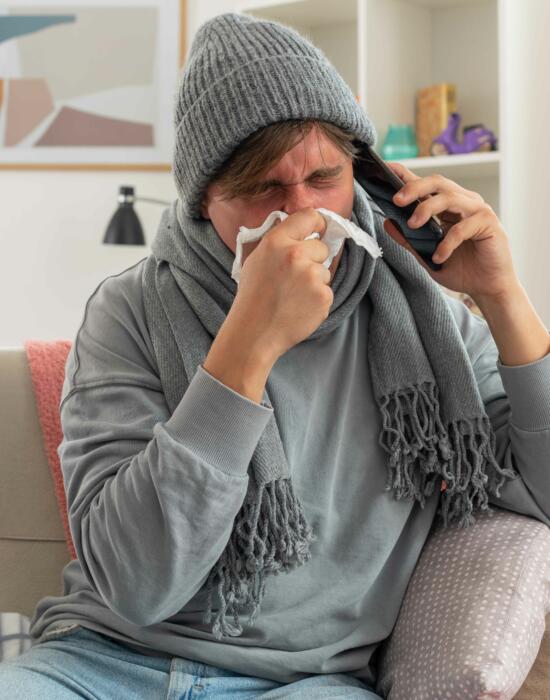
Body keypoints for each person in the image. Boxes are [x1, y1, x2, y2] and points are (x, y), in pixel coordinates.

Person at [2, 11, 549, 700]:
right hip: (103, 660)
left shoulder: (422, 317)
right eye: (263, 187)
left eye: (324, 177)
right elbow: (137, 585)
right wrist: (248, 344)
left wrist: (503, 298)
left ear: (367, 178)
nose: (302, 214)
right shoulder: (130, 311)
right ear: (206, 200)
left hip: (308, 681)